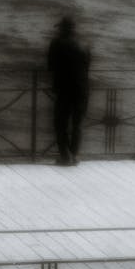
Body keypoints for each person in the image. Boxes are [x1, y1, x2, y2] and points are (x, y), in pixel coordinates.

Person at [46, 16, 91, 166]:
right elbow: (87, 66)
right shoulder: (85, 44)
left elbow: (50, 66)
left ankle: (65, 156)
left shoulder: (57, 43)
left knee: (61, 124)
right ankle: (75, 155)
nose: (58, 31)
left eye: (60, 28)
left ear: (63, 29)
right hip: (82, 89)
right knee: (77, 124)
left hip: (64, 90)